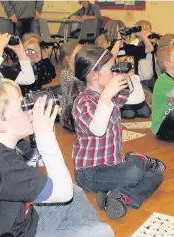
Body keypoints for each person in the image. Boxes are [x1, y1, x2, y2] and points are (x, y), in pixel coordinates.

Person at [0, 78, 114, 237]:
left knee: (75, 193)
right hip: (12, 233)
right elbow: (62, 192)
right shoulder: (0, 164)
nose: (31, 110)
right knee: (102, 232)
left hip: (20, 223)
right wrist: (45, 135)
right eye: (22, 106)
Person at [63, 45, 165, 219]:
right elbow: (98, 130)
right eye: (112, 68)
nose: (116, 71)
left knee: (156, 176)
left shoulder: (110, 94)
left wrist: (132, 77)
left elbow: (138, 98)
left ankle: (117, 196)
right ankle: (137, 160)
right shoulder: (83, 101)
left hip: (115, 164)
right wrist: (106, 97)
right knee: (133, 173)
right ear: (93, 74)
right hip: (90, 172)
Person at [59, 42, 82, 131]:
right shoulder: (66, 74)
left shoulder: (79, 72)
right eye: (78, 54)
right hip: (70, 118)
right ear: (68, 59)